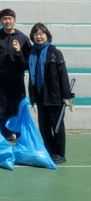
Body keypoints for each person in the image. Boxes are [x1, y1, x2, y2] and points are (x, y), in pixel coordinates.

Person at [28, 23, 74, 164]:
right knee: (44, 125)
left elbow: (63, 75)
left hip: (55, 95)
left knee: (57, 125)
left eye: (41, 33)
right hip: (40, 94)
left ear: (47, 35)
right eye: (36, 34)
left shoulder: (55, 52)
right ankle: (49, 150)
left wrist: (67, 96)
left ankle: (59, 153)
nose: (39, 36)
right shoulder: (32, 53)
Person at [0, 8, 31, 139]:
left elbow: (28, 62)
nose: (7, 21)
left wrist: (18, 52)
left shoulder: (23, 38)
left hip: (17, 80)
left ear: (15, 21)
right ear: (0, 21)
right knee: (1, 110)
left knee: (18, 108)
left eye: (10, 19)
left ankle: (19, 134)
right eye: (4, 19)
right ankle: (4, 134)